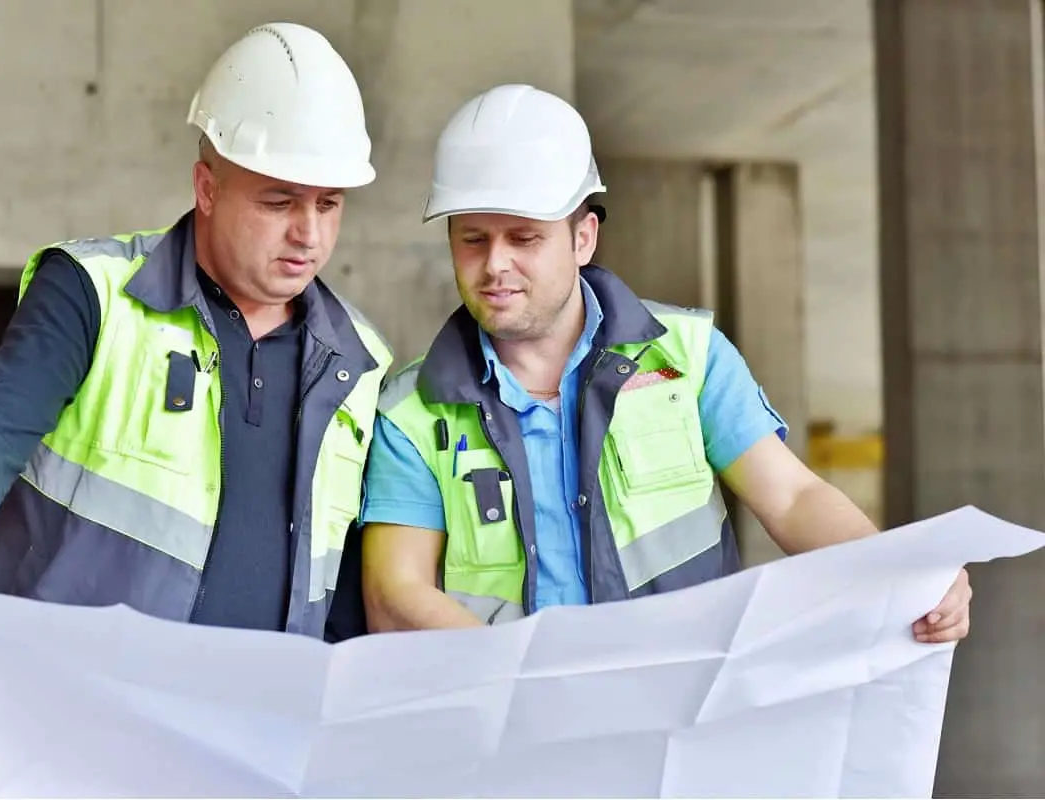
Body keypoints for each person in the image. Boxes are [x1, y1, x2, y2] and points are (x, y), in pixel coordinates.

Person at [0, 22, 391, 795]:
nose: (308, 233)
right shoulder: (95, 292)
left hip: (256, 750)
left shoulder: (360, 360)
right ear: (208, 187)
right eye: (279, 200)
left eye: (328, 204)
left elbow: (345, 578)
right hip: (75, 734)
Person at [359, 83, 971, 642]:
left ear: (583, 238)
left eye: (523, 238)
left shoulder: (687, 356)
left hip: (679, 718)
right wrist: (525, 688)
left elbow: (791, 499)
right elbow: (395, 594)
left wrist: (905, 577)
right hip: (512, 733)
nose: (494, 265)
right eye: (473, 238)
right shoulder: (410, 412)